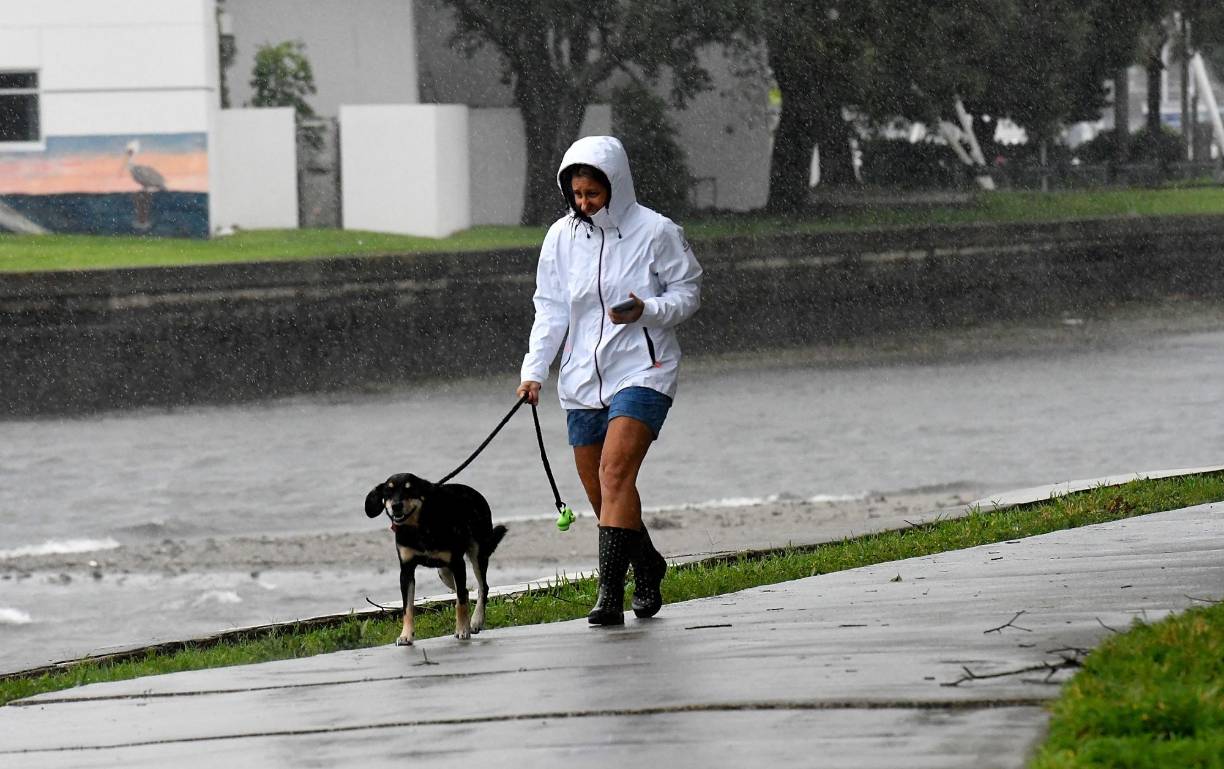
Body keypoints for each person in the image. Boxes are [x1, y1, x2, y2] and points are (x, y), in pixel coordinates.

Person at [517, 135, 702, 626]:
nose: (583, 204)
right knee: (601, 492)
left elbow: (688, 293)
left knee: (616, 474)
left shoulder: (658, 231)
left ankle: (608, 594)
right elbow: (551, 309)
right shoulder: (559, 237)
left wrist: (647, 310)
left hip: (644, 368)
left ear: (615, 186)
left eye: (592, 194)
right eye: (576, 195)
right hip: (580, 379)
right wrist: (534, 371)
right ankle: (648, 565)